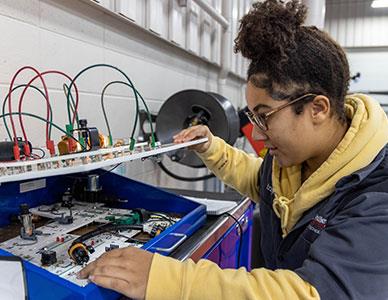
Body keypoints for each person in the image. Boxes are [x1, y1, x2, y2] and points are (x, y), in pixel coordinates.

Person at [78, 0, 388, 299]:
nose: (255, 132)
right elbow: (259, 181)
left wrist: (171, 280)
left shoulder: (376, 194)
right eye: (253, 116)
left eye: (264, 116)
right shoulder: (294, 161)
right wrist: (211, 147)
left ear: (317, 108)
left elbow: (312, 293)